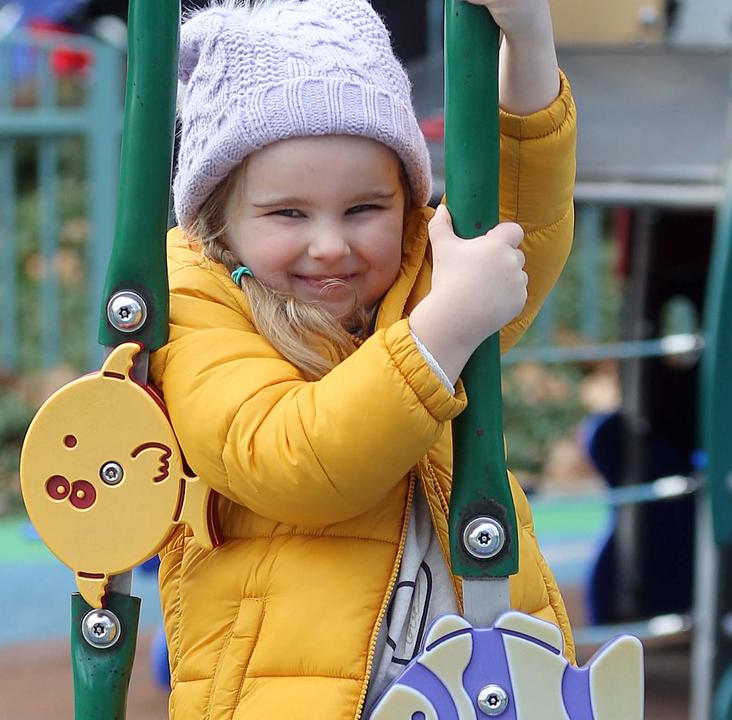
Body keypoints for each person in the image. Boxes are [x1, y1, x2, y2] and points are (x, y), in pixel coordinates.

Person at [150, 0, 577, 716]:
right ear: (220, 215)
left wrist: (529, 43)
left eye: (363, 210)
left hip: (468, 682)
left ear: (405, 203)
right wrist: (442, 331)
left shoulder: (409, 284)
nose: (330, 246)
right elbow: (291, 459)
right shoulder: (198, 304)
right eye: (289, 214)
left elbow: (519, 230)